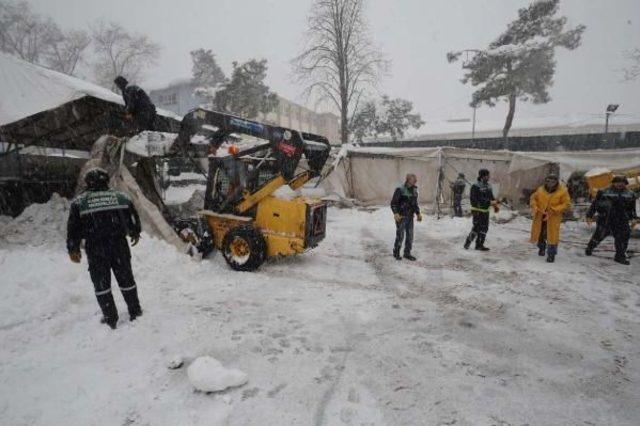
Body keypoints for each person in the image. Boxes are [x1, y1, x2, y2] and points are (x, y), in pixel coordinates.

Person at [67, 168, 143, 329]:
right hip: (119, 245)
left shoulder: (80, 202)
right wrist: (135, 232)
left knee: (101, 284)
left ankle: (110, 317)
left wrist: (73, 248)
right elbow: (133, 217)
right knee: (126, 279)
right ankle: (135, 311)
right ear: (106, 180)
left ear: (88, 182)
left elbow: (73, 228)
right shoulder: (121, 197)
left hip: (96, 248)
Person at [585, 176, 638, 265]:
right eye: (617, 182)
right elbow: (594, 205)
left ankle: (620, 256)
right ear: (613, 183)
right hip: (605, 218)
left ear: (625, 183)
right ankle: (590, 247)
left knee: (623, 237)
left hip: (622, 219)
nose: (620, 184)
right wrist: (589, 215)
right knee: (599, 235)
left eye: (622, 182)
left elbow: (632, 208)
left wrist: (634, 218)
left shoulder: (630, 194)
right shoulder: (603, 192)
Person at [529, 174, 571, 263]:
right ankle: (541, 248)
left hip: (553, 217)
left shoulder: (563, 191)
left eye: (553, 181)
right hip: (541, 216)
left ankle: (551, 254)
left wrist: (554, 209)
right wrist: (535, 206)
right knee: (540, 233)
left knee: (552, 236)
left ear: (556, 182)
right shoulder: (540, 190)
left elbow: (566, 204)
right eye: (548, 181)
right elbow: (533, 198)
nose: (550, 183)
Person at [464, 169, 499, 251]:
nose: (489, 177)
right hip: (477, 210)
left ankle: (479, 245)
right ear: (482, 176)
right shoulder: (475, 186)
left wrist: (495, 206)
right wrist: (485, 202)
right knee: (477, 227)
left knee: (485, 228)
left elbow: (491, 198)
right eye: (487, 175)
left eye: (488, 175)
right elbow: (474, 199)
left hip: (485, 211)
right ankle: (468, 241)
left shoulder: (489, 186)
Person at [391, 173, 422, 261]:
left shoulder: (414, 190)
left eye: (415, 179)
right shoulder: (400, 189)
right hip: (401, 216)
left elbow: (414, 203)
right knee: (400, 235)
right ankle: (396, 252)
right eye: (414, 179)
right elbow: (393, 203)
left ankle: (407, 253)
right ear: (408, 179)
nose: (416, 180)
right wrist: (396, 213)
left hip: (410, 216)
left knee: (410, 236)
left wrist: (418, 213)